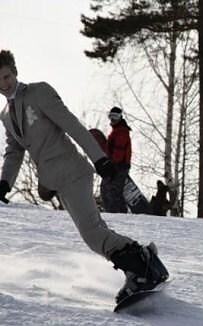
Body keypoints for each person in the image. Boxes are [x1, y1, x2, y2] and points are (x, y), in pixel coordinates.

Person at [0, 49, 168, 303]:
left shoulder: (38, 92)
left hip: (74, 172)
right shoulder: (6, 115)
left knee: (92, 234)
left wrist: (99, 157)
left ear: (15, 71)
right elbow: (14, 150)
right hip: (58, 181)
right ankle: (145, 260)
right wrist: (4, 182)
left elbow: (71, 124)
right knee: (94, 230)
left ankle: (142, 269)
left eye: (7, 76)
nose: (5, 83)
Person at [101, 106, 131, 213]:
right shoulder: (117, 131)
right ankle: (113, 212)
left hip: (119, 166)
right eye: (111, 116)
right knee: (108, 189)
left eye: (115, 116)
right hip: (116, 165)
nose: (112, 119)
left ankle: (118, 214)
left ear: (120, 117)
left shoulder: (121, 132)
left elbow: (119, 151)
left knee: (113, 191)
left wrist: (112, 165)